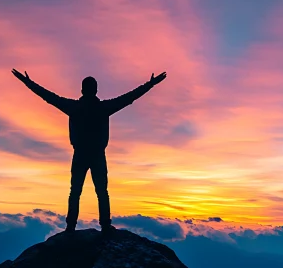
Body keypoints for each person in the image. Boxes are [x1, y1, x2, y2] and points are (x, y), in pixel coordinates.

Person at [11, 69, 167, 233]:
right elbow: (130, 97)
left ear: (82, 90)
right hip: (97, 155)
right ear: (96, 90)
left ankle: (71, 226)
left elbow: (48, 97)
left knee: (76, 191)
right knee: (101, 192)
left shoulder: (74, 107)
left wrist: (27, 82)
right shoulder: (103, 107)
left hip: (80, 155)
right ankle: (105, 225)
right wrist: (150, 84)